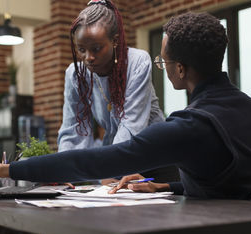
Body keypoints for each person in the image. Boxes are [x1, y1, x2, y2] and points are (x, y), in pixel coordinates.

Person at [0, 12, 251, 234]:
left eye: (164, 62)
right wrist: (167, 186)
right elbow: (235, 189)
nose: (162, 67)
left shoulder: (191, 126)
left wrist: (6, 170)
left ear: (180, 69)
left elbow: (96, 160)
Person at [57, 0, 179, 182]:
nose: (88, 57)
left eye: (96, 49)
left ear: (114, 41)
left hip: (155, 158)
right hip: (115, 159)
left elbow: (131, 127)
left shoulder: (137, 62)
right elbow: (73, 130)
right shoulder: (76, 74)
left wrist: (106, 171)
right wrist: (65, 170)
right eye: (81, 50)